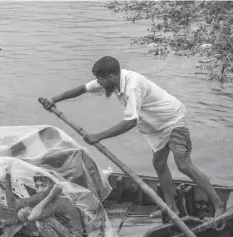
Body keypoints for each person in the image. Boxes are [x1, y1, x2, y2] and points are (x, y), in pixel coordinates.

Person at [39, 56, 226, 218]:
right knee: (159, 164)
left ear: (110, 77)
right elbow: (81, 89)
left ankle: (219, 204)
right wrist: (53, 100)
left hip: (172, 119)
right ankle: (171, 209)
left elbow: (130, 122)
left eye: (100, 79)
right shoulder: (111, 80)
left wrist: (99, 136)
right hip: (155, 125)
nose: (98, 83)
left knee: (184, 165)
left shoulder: (132, 86)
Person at [0, 169, 85, 237]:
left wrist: (51, 195)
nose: (40, 189)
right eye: (37, 186)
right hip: (61, 235)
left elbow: (33, 216)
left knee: (42, 222)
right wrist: (7, 179)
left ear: (53, 186)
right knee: (23, 213)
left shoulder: (60, 200)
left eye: (43, 185)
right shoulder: (41, 195)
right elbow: (14, 204)